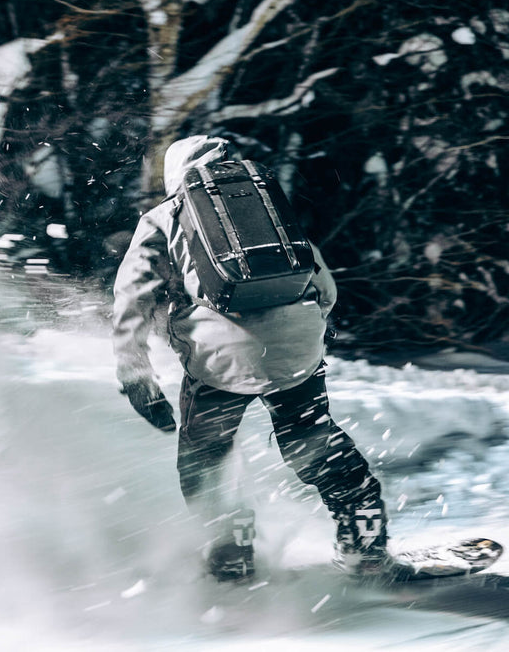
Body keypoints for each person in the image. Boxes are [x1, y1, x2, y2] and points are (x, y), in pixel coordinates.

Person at [111, 135, 389, 581]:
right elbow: (323, 284)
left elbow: (131, 301)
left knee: (206, 455)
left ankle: (230, 554)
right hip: (299, 345)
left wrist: (136, 378)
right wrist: (313, 329)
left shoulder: (163, 218)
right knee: (310, 438)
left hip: (217, 359)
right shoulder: (265, 203)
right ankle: (365, 538)